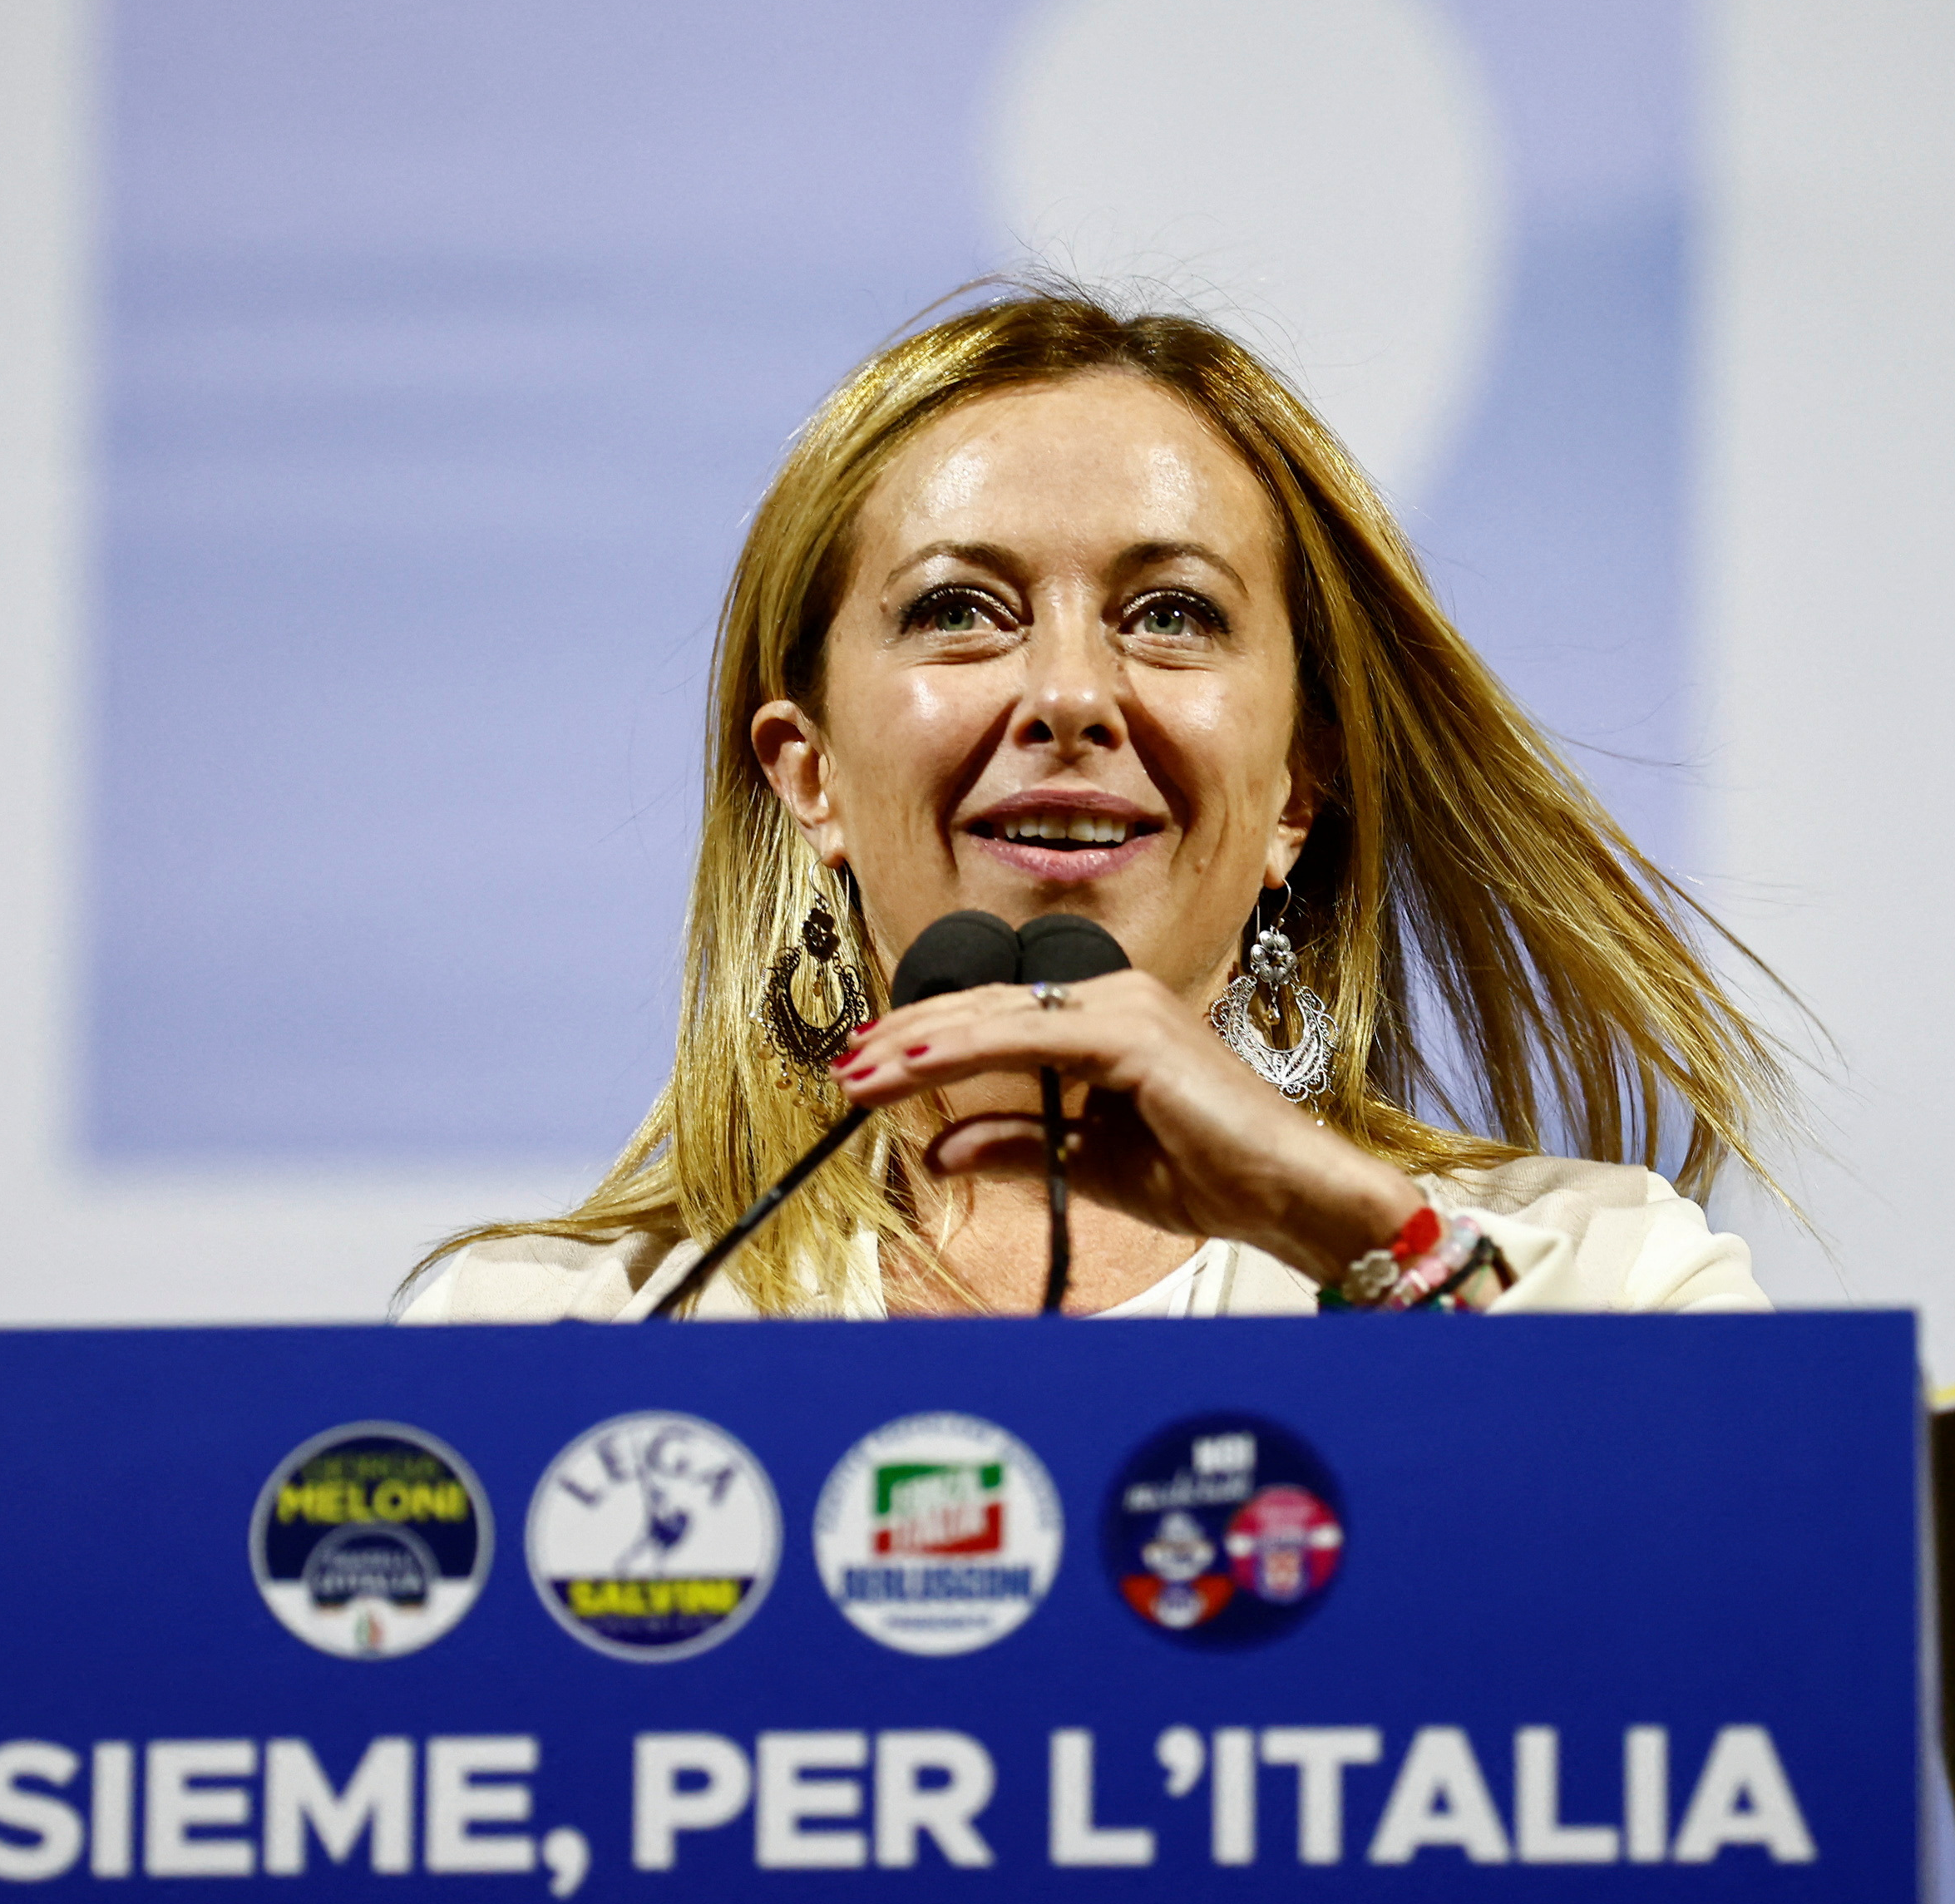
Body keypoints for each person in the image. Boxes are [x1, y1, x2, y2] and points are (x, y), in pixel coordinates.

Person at [397, 289, 1791, 1324]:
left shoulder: (1607, 1289)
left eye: (1170, 613)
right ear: (807, 774)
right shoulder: (544, 1348)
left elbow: (1775, 1643)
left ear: (1296, 793)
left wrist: (1363, 1241)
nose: (1070, 693)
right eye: (960, 610)